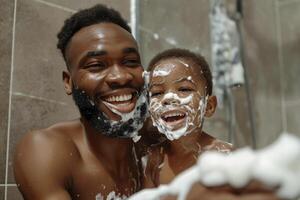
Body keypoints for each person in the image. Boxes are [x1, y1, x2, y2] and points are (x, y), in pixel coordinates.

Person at [14, 4, 148, 200]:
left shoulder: (154, 146)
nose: (120, 77)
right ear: (69, 82)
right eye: (96, 65)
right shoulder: (46, 150)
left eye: (130, 62)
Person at [141, 48, 233, 185]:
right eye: (157, 93)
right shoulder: (154, 159)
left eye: (184, 89)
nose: (168, 98)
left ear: (209, 106)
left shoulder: (227, 157)